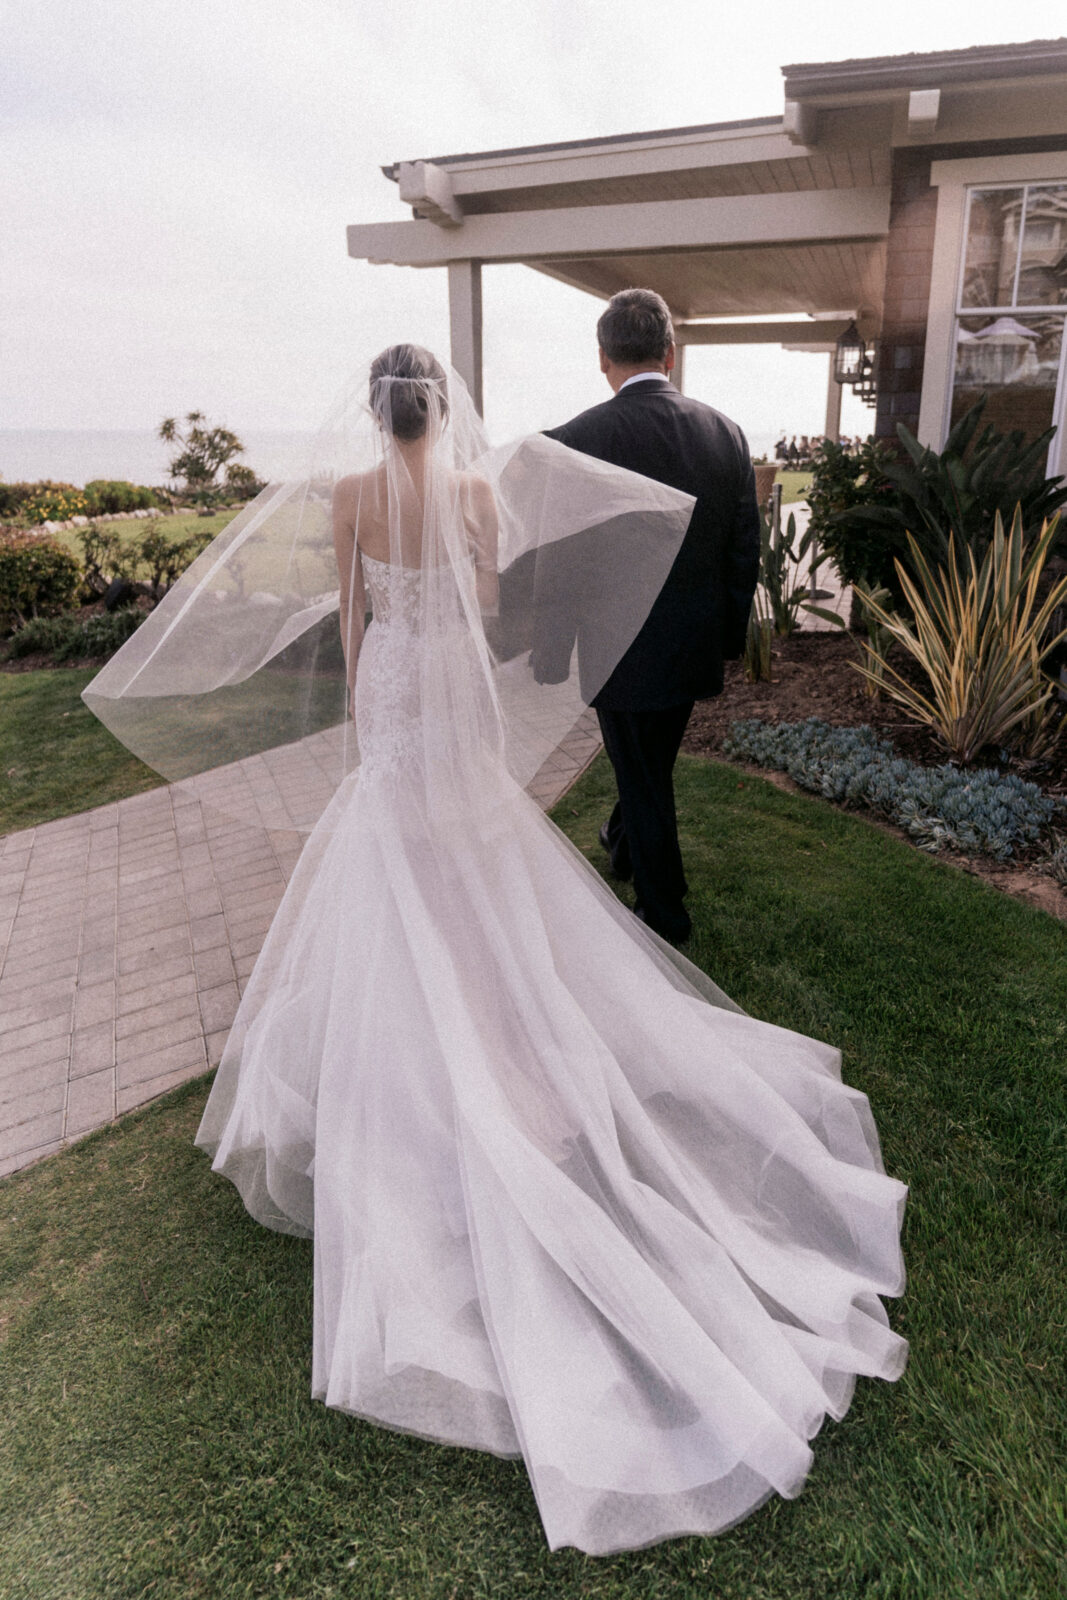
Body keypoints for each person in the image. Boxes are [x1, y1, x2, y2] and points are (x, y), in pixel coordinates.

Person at [83, 344, 907, 1557]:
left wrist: (372, 704)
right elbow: (481, 599)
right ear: (442, 410)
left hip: (401, 687)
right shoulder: (476, 489)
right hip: (455, 684)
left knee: (396, 856)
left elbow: (357, 621)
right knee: (469, 855)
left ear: (375, 412)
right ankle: (499, 1025)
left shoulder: (347, 496)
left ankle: (418, 1057)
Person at [544, 289, 760, 942]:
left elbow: (559, 558)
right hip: (690, 641)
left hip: (618, 649)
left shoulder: (576, 439)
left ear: (603, 357)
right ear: (670, 352)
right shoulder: (725, 432)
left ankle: (664, 913)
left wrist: (553, 649)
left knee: (641, 776)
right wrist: (726, 637)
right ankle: (621, 840)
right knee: (646, 767)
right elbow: (743, 544)